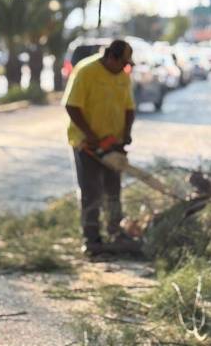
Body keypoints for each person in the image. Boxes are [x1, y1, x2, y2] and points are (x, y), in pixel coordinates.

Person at [63, 39, 136, 259]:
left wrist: (125, 136)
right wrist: (92, 137)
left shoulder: (122, 76)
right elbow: (72, 106)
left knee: (113, 191)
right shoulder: (86, 71)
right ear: (111, 57)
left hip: (113, 144)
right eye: (122, 63)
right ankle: (92, 239)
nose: (125, 67)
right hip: (87, 145)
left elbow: (128, 108)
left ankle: (115, 232)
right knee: (91, 191)